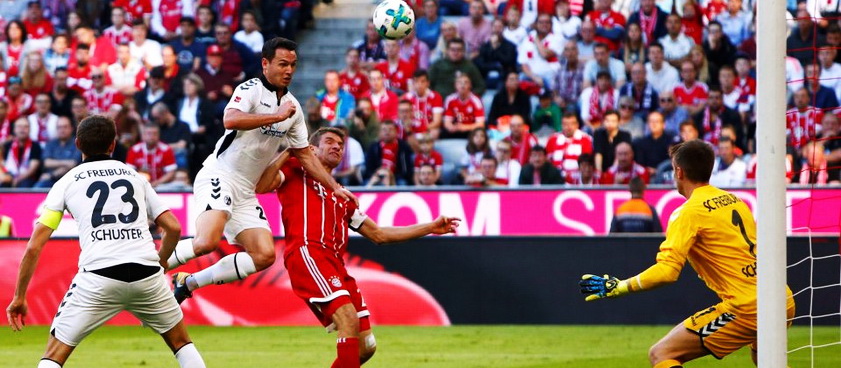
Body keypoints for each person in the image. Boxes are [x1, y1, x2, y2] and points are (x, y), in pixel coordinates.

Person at [6, 115, 207, 368]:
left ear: (77, 144)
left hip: (98, 278)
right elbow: (174, 227)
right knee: (181, 344)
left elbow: (34, 245)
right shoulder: (135, 177)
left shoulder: (66, 182)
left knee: (54, 356)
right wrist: (162, 261)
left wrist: (19, 297)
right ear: (113, 144)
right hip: (147, 275)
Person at [167, 38, 356, 304]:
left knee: (264, 254)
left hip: (246, 188)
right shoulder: (251, 89)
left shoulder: (293, 107)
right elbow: (230, 119)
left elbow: (304, 153)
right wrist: (277, 117)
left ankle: (189, 283)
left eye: (292, 65)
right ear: (265, 64)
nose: (289, 70)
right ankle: (152, 266)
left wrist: (335, 187)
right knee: (206, 242)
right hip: (220, 175)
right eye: (282, 64)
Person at [580, 139, 796, 367]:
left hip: (747, 308)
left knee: (661, 354)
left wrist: (621, 287)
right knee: (765, 359)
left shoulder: (687, 213)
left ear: (679, 171)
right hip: (780, 298)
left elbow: (667, 272)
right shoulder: (736, 201)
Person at [262, 126, 459, 368]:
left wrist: (430, 227)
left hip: (336, 265)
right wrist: (290, 152)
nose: (337, 147)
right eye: (330, 142)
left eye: (341, 145)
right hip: (308, 253)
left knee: (366, 347)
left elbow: (379, 234)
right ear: (311, 148)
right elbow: (261, 185)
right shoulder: (295, 171)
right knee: (348, 319)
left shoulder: (342, 195)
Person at [126, 123, 178, 188]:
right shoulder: (134, 150)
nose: (152, 136)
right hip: (140, 186)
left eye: (155, 134)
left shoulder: (166, 149)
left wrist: (158, 182)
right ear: (143, 135)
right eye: (149, 133)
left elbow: (171, 172)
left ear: (159, 135)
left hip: (161, 186)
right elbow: (129, 172)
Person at [34, 117, 80, 188]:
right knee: (37, 188)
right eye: (59, 127)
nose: (62, 130)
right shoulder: (50, 143)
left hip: (70, 180)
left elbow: (73, 164)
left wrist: (51, 175)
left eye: (65, 127)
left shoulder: (77, 143)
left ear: (71, 128)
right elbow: (47, 163)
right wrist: (66, 163)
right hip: (50, 181)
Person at [364, 120, 414, 185]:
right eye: (384, 130)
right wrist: (378, 173)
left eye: (390, 129)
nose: (387, 132)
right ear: (379, 132)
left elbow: (407, 170)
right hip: (377, 176)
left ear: (396, 132)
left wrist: (391, 175)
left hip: (397, 178)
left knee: (403, 183)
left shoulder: (403, 146)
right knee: (367, 184)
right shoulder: (373, 147)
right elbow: (369, 168)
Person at [3, 117, 42, 188]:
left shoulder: (35, 146)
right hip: (8, 177)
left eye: (26, 126)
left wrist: (17, 179)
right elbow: (2, 164)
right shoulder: (7, 145)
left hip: (27, 179)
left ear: (30, 129)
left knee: (25, 185)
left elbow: (32, 169)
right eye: (19, 126)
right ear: (14, 129)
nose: (22, 129)